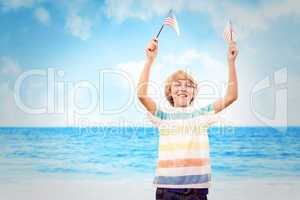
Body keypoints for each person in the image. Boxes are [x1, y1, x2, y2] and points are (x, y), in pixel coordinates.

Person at [137, 38, 238, 200]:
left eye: (189, 85)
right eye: (177, 84)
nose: (183, 88)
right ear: (169, 91)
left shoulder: (202, 114)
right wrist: (149, 61)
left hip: (197, 191)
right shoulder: (163, 116)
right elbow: (142, 95)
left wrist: (231, 61)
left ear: (193, 93)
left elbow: (231, 96)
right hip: (167, 190)